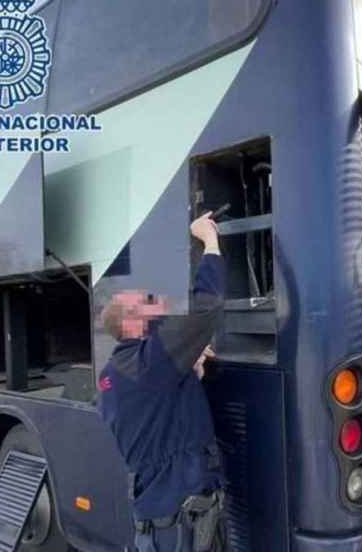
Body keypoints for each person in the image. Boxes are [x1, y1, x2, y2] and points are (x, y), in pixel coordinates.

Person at [97, 212, 227, 552]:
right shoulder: (150, 363)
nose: (160, 303)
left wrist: (187, 372)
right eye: (149, 302)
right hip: (180, 520)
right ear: (132, 323)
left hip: (161, 519)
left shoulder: (114, 373)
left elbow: (156, 410)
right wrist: (209, 242)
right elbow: (206, 308)